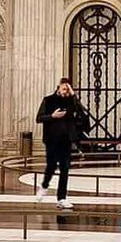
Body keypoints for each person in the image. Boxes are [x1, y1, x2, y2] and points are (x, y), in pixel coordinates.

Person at [35, 79, 88, 208]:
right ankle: (44, 186)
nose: (65, 91)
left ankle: (62, 198)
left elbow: (83, 115)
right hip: (52, 139)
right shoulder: (48, 100)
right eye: (63, 88)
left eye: (67, 89)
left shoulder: (72, 102)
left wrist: (73, 96)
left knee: (65, 168)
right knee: (51, 166)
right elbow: (39, 118)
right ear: (58, 87)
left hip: (66, 140)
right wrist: (52, 116)